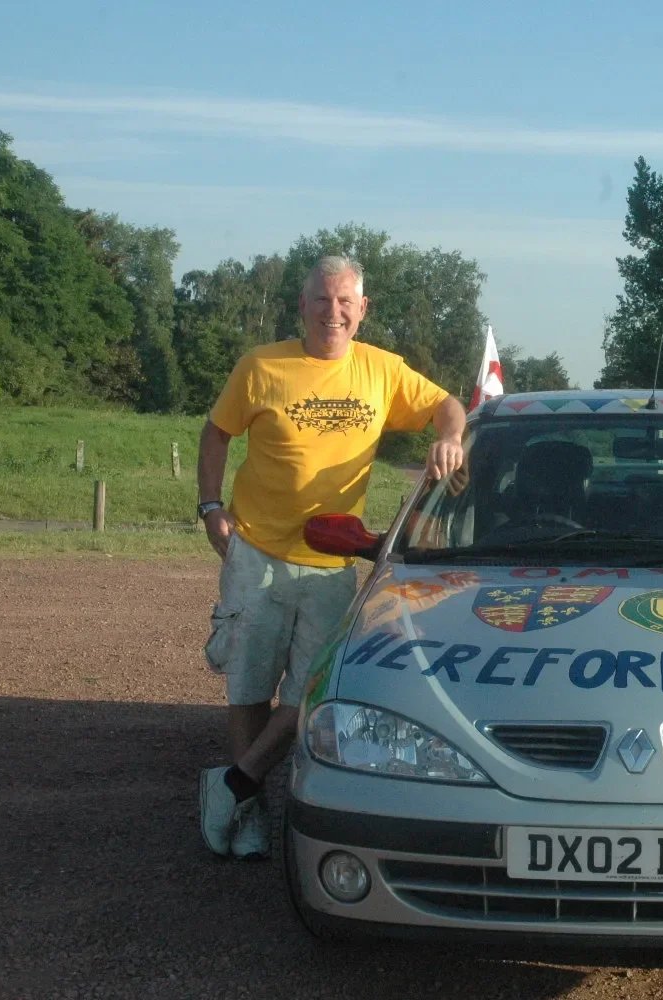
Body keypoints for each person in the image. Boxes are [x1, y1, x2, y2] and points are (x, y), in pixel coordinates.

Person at [195, 254, 465, 859]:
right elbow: (216, 433)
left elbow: (448, 405)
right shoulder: (261, 366)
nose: (333, 312)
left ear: (363, 309)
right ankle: (251, 815)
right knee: (250, 685)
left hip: (334, 559)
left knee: (315, 689)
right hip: (256, 551)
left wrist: (449, 436)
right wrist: (210, 505)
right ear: (302, 306)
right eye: (322, 299)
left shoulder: (382, 371)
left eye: (345, 301)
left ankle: (234, 784)